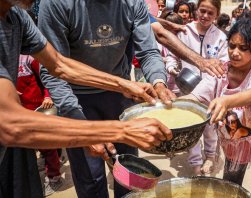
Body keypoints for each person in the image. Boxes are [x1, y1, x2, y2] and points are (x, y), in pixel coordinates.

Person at [0, 1, 172, 198]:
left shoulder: (17, 16)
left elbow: (58, 64)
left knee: (130, 175)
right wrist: (120, 129)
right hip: (75, 101)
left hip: (12, 150)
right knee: (91, 179)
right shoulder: (57, 4)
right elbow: (9, 124)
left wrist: (123, 84)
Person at [186, 18, 251, 198]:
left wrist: (225, 101)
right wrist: (177, 103)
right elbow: (197, 95)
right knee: (230, 189)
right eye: (232, 46)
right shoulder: (220, 70)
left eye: (243, 48)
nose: (235, 53)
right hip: (233, 142)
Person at [166, 0, 228, 176]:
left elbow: (224, 66)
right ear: (196, 10)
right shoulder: (184, 32)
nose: (205, 16)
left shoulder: (221, 38)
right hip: (187, 89)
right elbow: (172, 56)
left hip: (211, 93)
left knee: (210, 128)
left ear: (216, 15)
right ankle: (195, 164)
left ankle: (210, 157)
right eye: (203, 11)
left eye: (210, 13)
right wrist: (172, 69)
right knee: (192, 128)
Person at [17, 55, 63, 196]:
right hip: (19, 110)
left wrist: (48, 96)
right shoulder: (5, 59)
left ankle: (54, 177)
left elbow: (47, 76)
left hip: (38, 108)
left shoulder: (28, 58)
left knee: (46, 145)